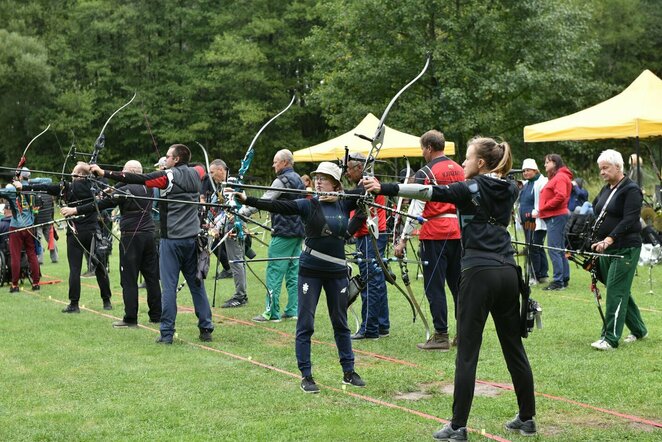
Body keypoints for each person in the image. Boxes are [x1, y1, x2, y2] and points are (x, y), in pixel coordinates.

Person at [364, 136, 536, 440]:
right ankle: (527, 418)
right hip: (508, 272)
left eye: (468, 159)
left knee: (467, 353)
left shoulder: (468, 188)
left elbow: (429, 192)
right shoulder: (509, 187)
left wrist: (384, 188)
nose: (463, 165)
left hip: (478, 273)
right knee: (513, 346)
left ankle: (458, 427)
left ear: (481, 163)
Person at [236, 161, 365, 393]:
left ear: (335, 183)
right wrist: (249, 201)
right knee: (306, 324)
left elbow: (356, 215)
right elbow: (278, 206)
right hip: (311, 271)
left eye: (323, 178)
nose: (318, 181)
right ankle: (306, 375)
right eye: (316, 178)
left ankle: (349, 371)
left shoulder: (345, 203)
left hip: (336, 272)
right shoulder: (308, 205)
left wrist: (365, 204)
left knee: (340, 323)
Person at [89, 144, 214, 343]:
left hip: (171, 241)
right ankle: (206, 328)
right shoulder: (197, 173)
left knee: (169, 288)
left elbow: (138, 178)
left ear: (176, 159)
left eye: (168, 157)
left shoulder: (167, 178)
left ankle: (166, 334)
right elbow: (201, 167)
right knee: (196, 285)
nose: (165, 159)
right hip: (192, 239)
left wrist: (104, 172)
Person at [61, 160, 162, 327]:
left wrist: (75, 210)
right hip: (149, 236)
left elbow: (100, 205)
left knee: (129, 279)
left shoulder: (124, 190)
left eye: (124, 172)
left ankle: (130, 318)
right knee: (151, 277)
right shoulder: (149, 187)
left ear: (130, 172)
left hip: (131, 239)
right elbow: (115, 192)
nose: (122, 174)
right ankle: (156, 315)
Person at [395, 130, 463, 350]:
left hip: (435, 233)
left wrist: (404, 238)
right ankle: (464, 334)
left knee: (434, 286)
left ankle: (441, 335)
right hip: (458, 232)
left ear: (429, 148)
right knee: (458, 285)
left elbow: (417, 208)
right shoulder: (461, 169)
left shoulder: (426, 171)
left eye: (422, 148)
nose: (422, 153)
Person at [16, 163, 112, 310]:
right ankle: (107, 302)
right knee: (99, 267)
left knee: (75, 269)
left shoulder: (66, 187)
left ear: (78, 174)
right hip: (92, 232)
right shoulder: (94, 187)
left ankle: (74, 304)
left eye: (73, 172)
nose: (71, 175)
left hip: (75, 234)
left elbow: (45, 188)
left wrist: (23, 187)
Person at [589, 149, 648, 351]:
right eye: (600, 169)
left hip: (625, 248)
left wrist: (609, 238)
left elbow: (629, 218)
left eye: (605, 168)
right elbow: (596, 211)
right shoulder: (606, 189)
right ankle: (639, 329)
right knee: (619, 288)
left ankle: (610, 338)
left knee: (615, 290)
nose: (602, 172)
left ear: (618, 167)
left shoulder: (631, 190)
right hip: (605, 248)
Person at [239, 149, 305, 321]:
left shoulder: (281, 180)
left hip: (283, 233)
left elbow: (265, 201)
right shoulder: (299, 179)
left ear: (284, 163)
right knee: (293, 272)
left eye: (275, 162)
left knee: (274, 272)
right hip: (299, 233)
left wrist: (243, 211)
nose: (273, 165)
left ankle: (271, 313)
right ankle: (293, 310)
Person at [344, 152, 390, 340]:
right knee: (376, 279)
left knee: (370, 280)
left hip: (370, 236)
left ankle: (369, 328)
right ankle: (382, 325)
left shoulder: (367, 184)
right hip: (372, 235)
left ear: (360, 168)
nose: (347, 173)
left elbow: (362, 214)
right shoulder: (367, 184)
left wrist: (345, 234)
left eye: (349, 169)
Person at [206, 159, 248, 306]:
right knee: (237, 261)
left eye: (212, 172)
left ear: (220, 170)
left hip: (234, 226)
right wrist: (212, 223)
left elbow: (231, 209)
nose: (210, 176)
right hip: (228, 225)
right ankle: (241, 294)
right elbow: (219, 207)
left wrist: (217, 226)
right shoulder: (223, 185)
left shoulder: (231, 183)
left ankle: (240, 296)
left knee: (236, 261)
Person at [535, 154, 572, 291]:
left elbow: (561, 195)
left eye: (547, 162)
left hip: (556, 216)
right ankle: (563, 278)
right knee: (559, 248)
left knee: (554, 249)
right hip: (556, 216)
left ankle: (558, 281)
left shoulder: (560, 177)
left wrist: (545, 206)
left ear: (554, 163)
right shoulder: (558, 177)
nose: (544, 165)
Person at [4, 176, 42, 292]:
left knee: (15, 255)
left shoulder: (11, 192)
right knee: (32, 254)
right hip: (29, 226)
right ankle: (36, 283)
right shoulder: (29, 190)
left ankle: (14, 285)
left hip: (16, 227)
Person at [518, 158, 549, 284]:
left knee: (534, 246)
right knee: (536, 246)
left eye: (528, 170)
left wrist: (534, 212)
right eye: (524, 171)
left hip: (536, 220)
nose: (525, 173)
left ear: (535, 170)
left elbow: (542, 201)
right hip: (526, 222)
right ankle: (542, 274)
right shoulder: (526, 184)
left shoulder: (542, 182)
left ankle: (535, 275)